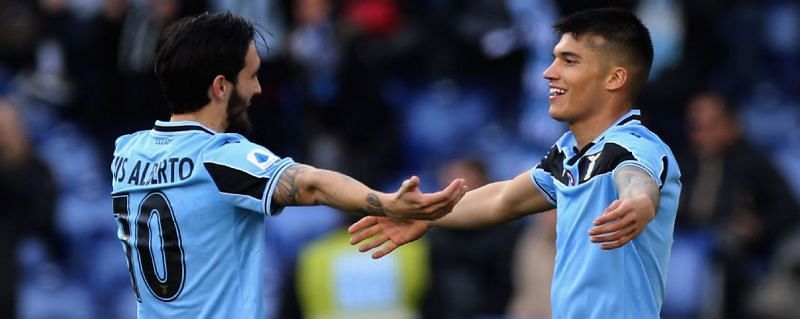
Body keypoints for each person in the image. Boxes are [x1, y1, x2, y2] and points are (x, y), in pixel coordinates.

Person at [109, 12, 466, 318]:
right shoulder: (220, 156)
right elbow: (308, 184)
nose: (258, 90)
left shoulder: (126, 154)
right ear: (220, 87)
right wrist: (385, 202)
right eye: (251, 76)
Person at [349, 8, 682, 319]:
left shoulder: (633, 145)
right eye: (553, 60)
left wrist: (640, 202)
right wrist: (424, 212)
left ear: (614, 79)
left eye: (569, 61)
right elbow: (501, 199)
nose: (549, 73)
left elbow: (636, 176)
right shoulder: (568, 153)